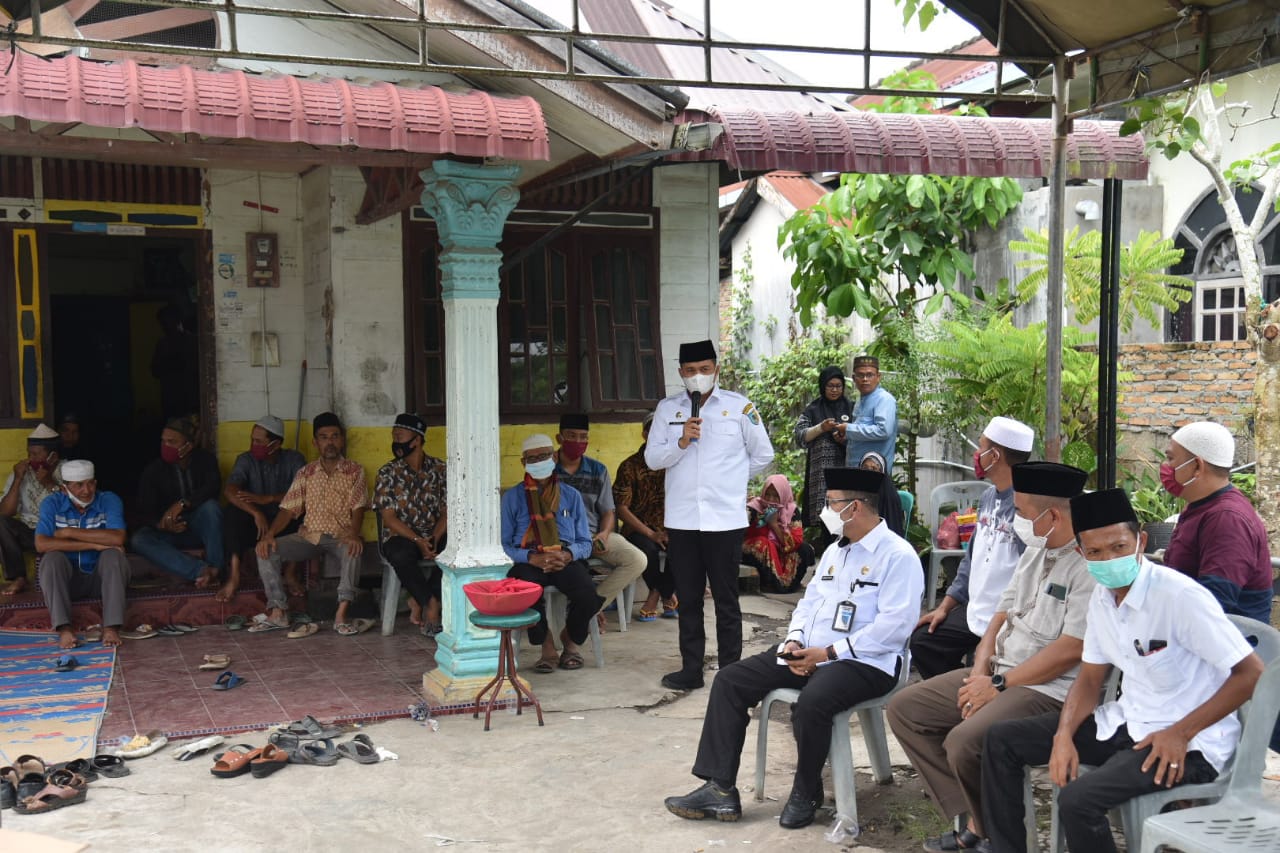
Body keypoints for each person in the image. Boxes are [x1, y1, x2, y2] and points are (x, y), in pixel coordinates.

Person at [981, 488, 1265, 853]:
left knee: (1078, 801)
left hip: (1190, 743)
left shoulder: (1179, 596)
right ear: (1081, 553)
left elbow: (1252, 674)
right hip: (1128, 722)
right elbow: (1089, 678)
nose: (1109, 559)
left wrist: (1180, 733)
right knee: (1000, 740)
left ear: (1140, 541)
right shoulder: (1102, 597)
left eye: (1118, 547)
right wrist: (1063, 735)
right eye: (1096, 552)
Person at [663, 467, 922, 829]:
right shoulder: (835, 552)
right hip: (812, 653)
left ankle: (807, 791)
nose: (825, 511)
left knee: (813, 703)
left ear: (857, 507)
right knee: (730, 680)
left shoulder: (898, 556)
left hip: (868, 663)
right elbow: (807, 603)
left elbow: (894, 628)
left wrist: (829, 654)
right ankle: (719, 787)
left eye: (832, 503)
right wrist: (795, 642)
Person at [888, 462, 1094, 852]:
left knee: (964, 740)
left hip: (1046, 689)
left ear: (1052, 515)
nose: (1015, 520)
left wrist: (997, 685)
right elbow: (1002, 610)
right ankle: (977, 819)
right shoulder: (1037, 547)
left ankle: (993, 834)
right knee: (905, 709)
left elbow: (1072, 648)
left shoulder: (1088, 562)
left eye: (1022, 513)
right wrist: (981, 667)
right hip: (1001, 672)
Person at [647, 339, 775, 691]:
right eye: (691, 371)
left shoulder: (739, 407)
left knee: (726, 598)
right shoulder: (668, 410)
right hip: (683, 520)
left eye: (705, 369)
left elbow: (763, 454)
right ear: (680, 374)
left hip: (725, 521)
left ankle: (732, 672)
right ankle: (691, 669)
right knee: (688, 598)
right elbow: (653, 460)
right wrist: (682, 442)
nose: (698, 376)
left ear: (716, 369)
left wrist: (731, 479)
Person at [911, 416, 1033, 679]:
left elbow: (1030, 575)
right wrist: (944, 607)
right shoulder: (989, 496)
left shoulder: (1027, 505)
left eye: (981, 448)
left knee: (988, 666)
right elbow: (971, 559)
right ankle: (956, 695)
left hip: (1005, 619)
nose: (977, 455)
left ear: (995, 455)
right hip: (974, 611)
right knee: (923, 642)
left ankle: (973, 696)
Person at [255, 412, 368, 635]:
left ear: (342, 439)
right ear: (316, 442)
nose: (330, 442)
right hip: (309, 537)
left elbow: (359, 507)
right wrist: (269, 535)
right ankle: (278, 611)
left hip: (340, 537)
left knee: (353, 550)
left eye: (335, 436)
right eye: (324, 437)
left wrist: (354, 534)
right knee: (265, 550)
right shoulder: (306, 473)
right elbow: (288, 509)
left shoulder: (355, 471)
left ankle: (341, 613)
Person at [502, 433, 603, 672]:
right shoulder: (512, 498)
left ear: (554, 457)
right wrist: (530, 558)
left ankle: (569, 640)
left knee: (588, 594)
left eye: (544, 456)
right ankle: (546, 644)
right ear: (523, 463)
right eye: (532, 458)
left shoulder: (571, 496)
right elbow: (504, 545)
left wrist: (567, 555)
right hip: (529, 559)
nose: (539, 461)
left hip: (563, 559)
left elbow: (585, 543)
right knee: (524, 590)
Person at [1159, 421, 1273, 623]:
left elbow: (1213, 603)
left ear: (1197, 465)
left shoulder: (1227, 519)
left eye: (1170, 459)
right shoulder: (1201, 505)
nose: (1165, 467)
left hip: (1226, 643)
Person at [553, 413, 647, 621]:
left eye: (583, 437)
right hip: (558, 540)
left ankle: (588, 609)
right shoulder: (547, 469)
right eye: (571, 436)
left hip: (593, 536)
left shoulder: (597, 470)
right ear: (559, 438)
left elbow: (608, 512)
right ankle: (584, 611)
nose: (578, 441)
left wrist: (604, 534)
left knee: (636, 560)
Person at [35, 460, 128, 649]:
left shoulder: (108, 500)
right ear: (64, 488)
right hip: (67, 582)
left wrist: (69, 532)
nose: (87, 490)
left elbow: (118, 537)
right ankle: (65, 629)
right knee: (51, 559)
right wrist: (94, 544)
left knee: (113, 556)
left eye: (91, 483)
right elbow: (42, 543)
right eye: (79, 485)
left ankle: (111, 627)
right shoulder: (51, 503)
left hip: (101, 580)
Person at [219, 415, 306, 602]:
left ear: (275, 444)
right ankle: (234, 574)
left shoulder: (294, 459)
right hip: (257, 526)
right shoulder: (245, 460)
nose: (253, 444)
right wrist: (256, 511)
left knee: (303, 510)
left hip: (285, 522)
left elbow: (304, 492)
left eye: (259, 441)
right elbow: (230, 490)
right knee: (232, 513)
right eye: (252, 439)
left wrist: (268, 499)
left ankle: (290, 573)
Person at [374, 412, 447, 636]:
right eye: (394, 436)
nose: (396, 442)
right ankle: (431, 604)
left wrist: (433, 538)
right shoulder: (388, 473)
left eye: (400, 436)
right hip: (402, 537)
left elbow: (448, 511)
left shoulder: (439, 469)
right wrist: (417, 540)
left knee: (457, 550)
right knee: (399, 555)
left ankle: (422, 598)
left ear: (416, 440)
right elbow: (389, 518)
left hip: (434, 533)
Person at [131, 417, 223, 589]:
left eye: (172, 442)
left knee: (211, 508)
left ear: (188, 445)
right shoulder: (153, 470)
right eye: (163, 441)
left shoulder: (206, 461)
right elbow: (144, 511)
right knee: (139, 539)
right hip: (168, 533)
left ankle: (216, 568)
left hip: (197, 528)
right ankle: (201, 571)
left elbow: (212, 488)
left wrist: (183, 504)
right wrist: (162, 525)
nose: (166, 446)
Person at [613, 413, 678, 622]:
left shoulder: (676, 464)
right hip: (638, 528)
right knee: (647, 550)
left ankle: (657, 594)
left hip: (672, 526)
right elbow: (621, 508)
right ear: (645, 434)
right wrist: (651, 533)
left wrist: (671, 529)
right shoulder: (629, 466)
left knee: (685, 546)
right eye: (655, 431)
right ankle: (668, 596)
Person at [0, 425, 64, 595]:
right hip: (31, 533)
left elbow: (73, 508)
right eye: (29, 454)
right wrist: (18, 479)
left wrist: (49, 482)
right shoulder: (22, 473)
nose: (31, 459)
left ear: (53, 457)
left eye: (36, 454)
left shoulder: (67, 470)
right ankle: (18, 577)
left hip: (58, 533)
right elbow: (6, 512)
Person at [794, 366, 852, 544]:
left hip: (845, 473)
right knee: (827, 522)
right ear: (822, 386)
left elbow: (861, 436)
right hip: (821, 478)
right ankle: (829, 568)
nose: (835, 390)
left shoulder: (851, 408)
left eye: (838, 386)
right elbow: (800, 437)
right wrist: (821, 428)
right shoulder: (813, 409)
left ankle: (842, 566)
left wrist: (843, 438)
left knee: (845, 519)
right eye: (830, 386)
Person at [741, 475, 809, 593]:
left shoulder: (791, 510)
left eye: (776, 496)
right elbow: (743, 532)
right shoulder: (755, 507)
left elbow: (796, 540)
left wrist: (774, 524)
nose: (770, 499)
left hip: (782, 549)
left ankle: (790, 583)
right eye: (767, 494)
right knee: (764, 544)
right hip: (756, 551)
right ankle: (772, 584)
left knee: (805, 549)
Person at [844, 355, 897, 472]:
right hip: (855, 468)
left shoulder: (884, 399)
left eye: (870, 375)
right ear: (853, 378)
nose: (865, 379)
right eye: (860, 375)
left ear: (878, 377)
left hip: (874, 472)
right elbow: (861, 432)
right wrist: (845, 435)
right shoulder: (861, 400)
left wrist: (848, 429)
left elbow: (883, 431)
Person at [859, 451, 905, 537]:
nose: (869, 472)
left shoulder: (889, 496)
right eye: (865, 468)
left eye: (874, 469)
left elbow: (892, 527)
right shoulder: (856, 492)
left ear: (881, 472)